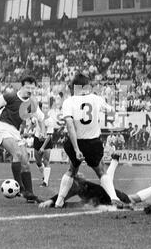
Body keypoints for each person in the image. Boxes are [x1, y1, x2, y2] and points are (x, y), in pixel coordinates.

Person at [54, 73, 128, 209]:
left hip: (74, 142)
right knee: (100, 170)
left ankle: (59, 201)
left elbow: (70, 126)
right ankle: (114, 198)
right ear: (86, 86)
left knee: (71, 170)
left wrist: (76, 149)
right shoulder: (96, 99)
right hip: (92, 142)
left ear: (75, 87)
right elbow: (112, 113)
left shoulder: (68, 102)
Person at [0, 75, 44, 203]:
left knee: (26, 162)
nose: (30, 90)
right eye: (28, 87)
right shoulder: (10, 96)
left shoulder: (32, 102)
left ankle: (30, 195)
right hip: (3, 127)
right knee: (17, 154)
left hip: (16, 132)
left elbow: (40, 118)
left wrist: (42, 130)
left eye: (32, 88)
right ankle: (21, 188)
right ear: (22, 86)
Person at [39, 154, 151, 213]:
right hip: (107, 196)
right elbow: (65, 196)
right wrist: (51, 201)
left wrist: (52, 201)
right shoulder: (78, 187)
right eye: (79, 175)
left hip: (112, 198)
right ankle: (115, 161)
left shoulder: (81, 187)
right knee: (131, 196)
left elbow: (68, 197)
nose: (82, 175)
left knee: (134, 199)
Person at [32, 102, 54, 187]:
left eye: (46, 108)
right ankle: (45, 176)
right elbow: (33, 122)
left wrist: (42, 147)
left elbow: (49, 136)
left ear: (48, 109)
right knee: (38, 162)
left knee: (46, 161)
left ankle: (45, 181)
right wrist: (29, 129)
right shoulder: (37, 117)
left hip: (46, 142)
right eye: (43, 108)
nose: (44, 109)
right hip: (37, 139)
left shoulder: (50, 121)